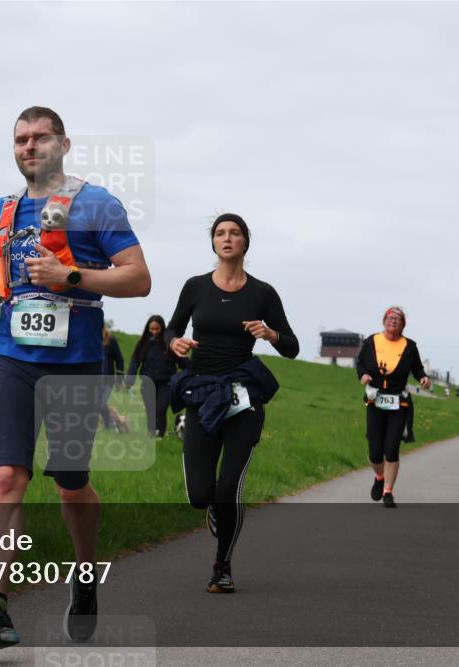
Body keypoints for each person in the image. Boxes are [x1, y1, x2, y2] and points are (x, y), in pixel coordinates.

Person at [0, 106, 151, 649]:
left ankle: (86, 572)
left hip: (75, 363)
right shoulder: (2, 209)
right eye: (20, 139)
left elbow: (138, 279)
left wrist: (71, 274)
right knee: (7, 477)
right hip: (13, 357)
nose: (29, 146)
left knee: (71, 484)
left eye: (40, 138)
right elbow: (0, 272)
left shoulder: (97, 203)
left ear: (63, 145)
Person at [166, 213, 299, 593]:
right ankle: (212, 509)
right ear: (213, 243)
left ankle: (222, 564)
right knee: (199, 494)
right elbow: (174, 328)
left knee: (229, 489)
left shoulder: (262, 293)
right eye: (220, 233)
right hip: (202, 392)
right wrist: (174, 342)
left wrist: (270, 332)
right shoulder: (195, 287)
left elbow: (291, 347)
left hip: (243, 395)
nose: (227, 238)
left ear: (245, 242)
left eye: (234, 233)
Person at [356, 306, 432, 509]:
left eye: (398, 318)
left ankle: (388, 492)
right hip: (375, 400)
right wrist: (362, 375)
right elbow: (360, 363)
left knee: (391, 448)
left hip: (399, 402)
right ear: (384, 320)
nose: (394, 321)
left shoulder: (409, 346)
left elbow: (417, 368)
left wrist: (423, 377)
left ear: (403, 324)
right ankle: (379, 477)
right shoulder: (372, 341)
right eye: (390, 317)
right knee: (375, 451)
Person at [125, 315, 187, 437]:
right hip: (147, 382)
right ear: (148, 329)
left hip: (166, 383)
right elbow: (135, 361)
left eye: (157, 329)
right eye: (151, 329)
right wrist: (129, 380)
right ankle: (151, 434)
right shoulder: (143, 344)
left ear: (162, 328)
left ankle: (161, 435)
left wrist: (192, 370)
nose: (154, 332)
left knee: (160, 409)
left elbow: (181, 360)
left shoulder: (169, 343)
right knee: (150, 410)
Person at [100, 324, 125, 430]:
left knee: (100, 403)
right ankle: (109, 423)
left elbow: (120, 360)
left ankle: (111, 423)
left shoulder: (110, 340)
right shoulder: (89, 339)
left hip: (107, 380)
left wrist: (119, 380)